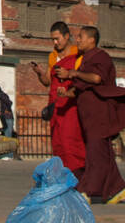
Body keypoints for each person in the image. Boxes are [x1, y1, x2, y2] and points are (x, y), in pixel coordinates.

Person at [58, 26, 125, 204]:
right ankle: (116, 190)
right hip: (89, 115)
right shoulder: (86, 59)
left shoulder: (101, 56)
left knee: (95, 153)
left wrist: (72, 73)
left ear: (92, 40)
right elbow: (81, 87)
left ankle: (87, 190)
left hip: (99, 113)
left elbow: (96, 79)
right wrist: (66, 93)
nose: (78, 40)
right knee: (103, 151)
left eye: (81, 37)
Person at [30, 22, 86, 177]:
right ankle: (62, 176)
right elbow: (48, 81)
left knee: (71, 141)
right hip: (55, 103)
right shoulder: (52, 55)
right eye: (52, 40)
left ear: (66, 36)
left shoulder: (78, 53)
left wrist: (69, 74)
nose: (55, 43)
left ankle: (78, 176)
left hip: (71, 103)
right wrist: (40, 73)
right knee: (58, 142)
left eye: (57, 39)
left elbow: (82, 76)